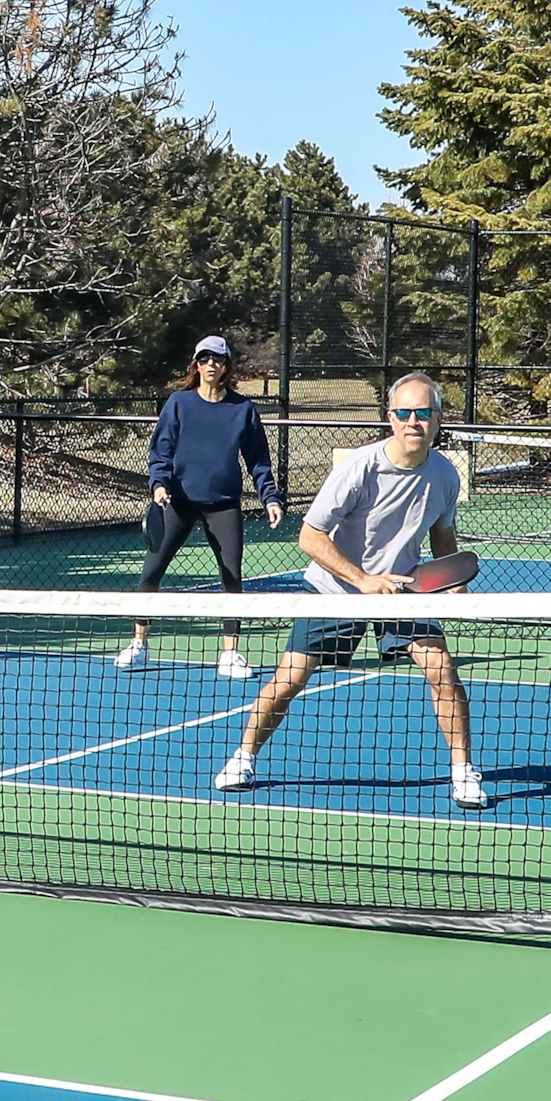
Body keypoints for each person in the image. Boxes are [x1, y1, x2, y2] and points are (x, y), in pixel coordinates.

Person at [213, 372, 490, 810]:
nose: (412, 422)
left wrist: (446, 581)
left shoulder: (444, 476)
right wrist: (362, 581)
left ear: (438, 419)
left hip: (402, 591)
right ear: (390, 418)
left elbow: (442, 535)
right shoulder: (359, 468)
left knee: (440, 668)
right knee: (289, 681)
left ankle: (463, 773)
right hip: (336, 588)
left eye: (423, 413)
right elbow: (309, 536)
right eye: (404, 413)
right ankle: (242, 758)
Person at [120, 334, 283, 678]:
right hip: (177, 502)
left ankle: (231, 653)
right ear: (196, 364)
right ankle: (138, 645)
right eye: (205, 358)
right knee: (151, 572)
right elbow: (161, 450)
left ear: (226, 367)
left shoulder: (243, 410)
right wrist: (159, 484)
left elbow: (258, 460)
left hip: (223, 506)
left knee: (231, 577)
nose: (212, 364)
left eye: (218, 359)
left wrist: (269, 496)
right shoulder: (179, 403)